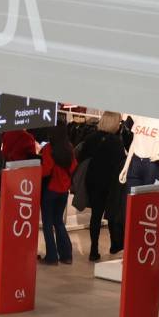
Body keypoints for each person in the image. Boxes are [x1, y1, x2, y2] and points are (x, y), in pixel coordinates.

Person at [77, 111, 126, 261]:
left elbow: (82, 157)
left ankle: (93, 249)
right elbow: (120, 163)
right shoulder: (117, 142)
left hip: (93, 180)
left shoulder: (91, 138)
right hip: (111, 183)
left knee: (96, 216)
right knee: (112, 214)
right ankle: (115, 245)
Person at [38, 124, 77, 266]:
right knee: (59, 222)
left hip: (50, 190)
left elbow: (46, 170)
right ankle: (66, 256)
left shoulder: (49, 148)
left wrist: (36, 172)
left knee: (48, 224)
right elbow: (73, 166)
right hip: (63, 191)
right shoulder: (69, 147)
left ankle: (52, 257)